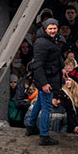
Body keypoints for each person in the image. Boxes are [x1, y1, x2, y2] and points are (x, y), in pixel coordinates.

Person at [28, 18, 63, 146]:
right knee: (47, 107)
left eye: (55, 28)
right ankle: (44, 135)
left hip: (49, 76)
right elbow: (38, 65)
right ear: (45, 29)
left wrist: (62, 68)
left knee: (39, 102)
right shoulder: (42, 43)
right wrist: (43, 83)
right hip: (47, 79)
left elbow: (55, 58)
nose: (53, 30)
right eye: (50, 28)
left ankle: (31, 126)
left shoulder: (50, 39)